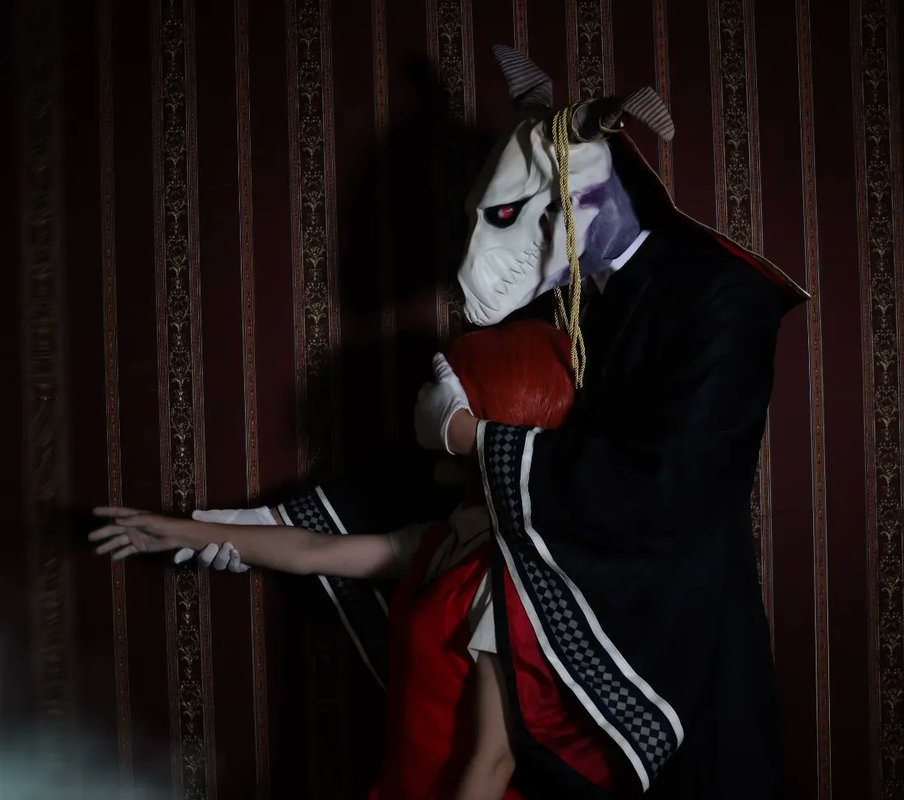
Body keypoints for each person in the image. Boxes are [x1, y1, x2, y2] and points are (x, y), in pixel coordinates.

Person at [171, 46, 808, 799]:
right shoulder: (568, 306)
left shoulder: (722, 296)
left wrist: (472, 436)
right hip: (557, 606)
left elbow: (677, 482)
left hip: (672, 637)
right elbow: (467, 476)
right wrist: (263, 525)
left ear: (574, 197)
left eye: (507, 217)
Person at [93, 320, 640, 799]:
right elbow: (313, 551)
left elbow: (493, 761)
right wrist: (177, 532)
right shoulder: (446, 541)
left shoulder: (509, 583)